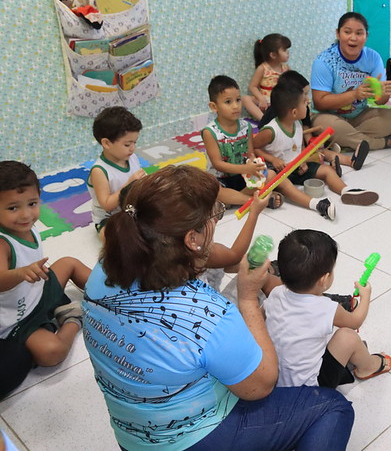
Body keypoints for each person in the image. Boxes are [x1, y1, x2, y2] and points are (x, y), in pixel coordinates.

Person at [83, 165, 354, 450]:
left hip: (132, 439)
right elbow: (261, 385)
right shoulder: (207, 311)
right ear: (192, 239)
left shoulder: (102, 271)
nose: (216, 222)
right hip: (194, 440)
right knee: (333, 408)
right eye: (216, 215)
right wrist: (248, 296)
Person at [265, 229, 391, 388]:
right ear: (324, 279)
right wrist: (366, 296)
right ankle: (368, 367)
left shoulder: (275, 293)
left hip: (273, 376)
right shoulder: (325, 308)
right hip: (309, 388)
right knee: (347, 337)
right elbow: (355, 322)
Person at [0, 161, 90, 380]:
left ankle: (114, 292)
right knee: (51, 353)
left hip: (39, 289)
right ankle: (73, 318)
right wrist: (20, 273)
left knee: (69, 262)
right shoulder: (2, 243)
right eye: (13, 208)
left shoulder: (27, 227)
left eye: (32, 203)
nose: (25, 215)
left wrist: (33, 273)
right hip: (20, 318)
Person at [253, 73, 379, 221]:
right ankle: (316, 204)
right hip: (277, 172)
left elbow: (296, 149)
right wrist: (272, 159)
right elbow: (253, 148)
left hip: (295, 167)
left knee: (326, 170)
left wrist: (303, 162)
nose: (308, 103)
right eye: (304, 102)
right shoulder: (271, 131)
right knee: (285, 184)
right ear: (294, 112)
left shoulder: (298, 124)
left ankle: (346, 191)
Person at [310, 12, 391, 151]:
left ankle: (345, 141)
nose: (353, 38)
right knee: (331, 127)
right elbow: (320, 102)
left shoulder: (373, 58)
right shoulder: (324, 61)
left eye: (359, 33)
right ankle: (384, 143)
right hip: (327, 115)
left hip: (359, 114)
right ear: (338, 33)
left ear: (366, 36)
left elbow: (379, 101)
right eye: (347, 32)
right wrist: (354, 95)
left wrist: (383, 93)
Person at [259, 71, 371, 177]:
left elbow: (305, 126)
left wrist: (310, 141)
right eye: (305, 96)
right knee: (313, 157)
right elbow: (261, 135)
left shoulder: (304, 109)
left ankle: (351, 161)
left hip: (297, 146)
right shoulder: (275, 114)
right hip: (282, 153)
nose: (308, 100)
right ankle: (328, 167)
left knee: (320, 151)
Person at [201, 75, 282, 208]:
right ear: (214, 106)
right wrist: (245, 168)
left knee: (271, 175)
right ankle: (253, 201)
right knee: (213, 191)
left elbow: (250, 154)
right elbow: (217, 164)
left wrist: (255, 165)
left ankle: (234, 200)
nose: (235, 106)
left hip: (244, 176)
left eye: (238, 100)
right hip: (221, 180)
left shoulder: (246, 127)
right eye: (228, 102)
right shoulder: (210, 132)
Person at [87, 106, 146, 235]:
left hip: (133, 210)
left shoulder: (132, 158)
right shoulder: (99, 171)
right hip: (109, 219)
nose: (133, 148)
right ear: (107, 143)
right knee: (118, 240)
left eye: (134, 143)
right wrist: (129, 185)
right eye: (127, 144)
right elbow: (107, 204)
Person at [245, 33, 291, 122]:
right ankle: (264, 121)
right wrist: (261, 99)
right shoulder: (262, 68)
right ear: (273, 55)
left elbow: (293, 83)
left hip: (281, 102)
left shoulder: (286, 68)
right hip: (266, 102)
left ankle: (278, 120)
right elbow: (252, 86)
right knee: (246, 99)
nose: (288, 53)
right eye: (285, 50)